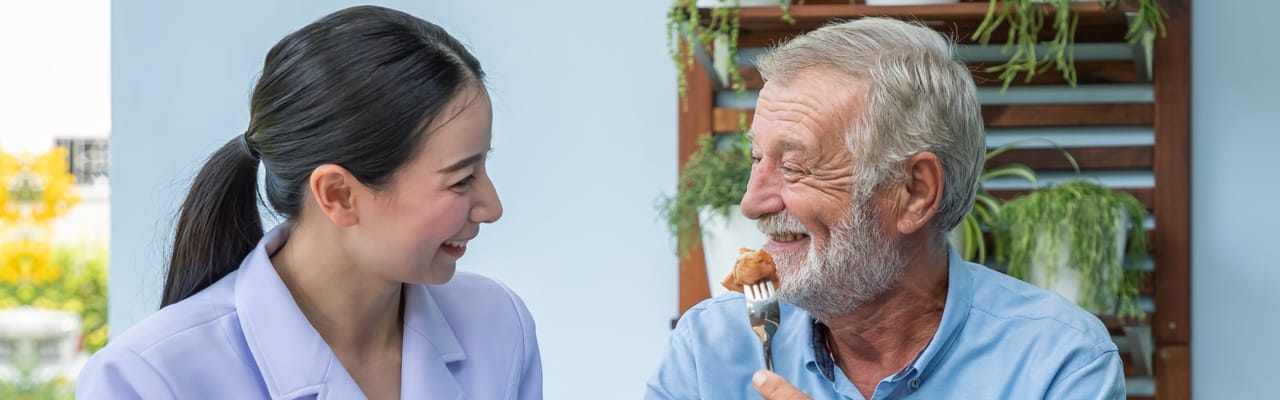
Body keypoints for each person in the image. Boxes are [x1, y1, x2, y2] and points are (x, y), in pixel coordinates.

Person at [76, 6, 541, 399]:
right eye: (461, 180)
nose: (491, 206)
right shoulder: (147, 379)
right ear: (338, 194)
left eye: (484, 168)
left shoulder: (499, 325)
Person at [646, 18, 1124, 400]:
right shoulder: (709, 350)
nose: (752, 202)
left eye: (794, 166)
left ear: (914, 193)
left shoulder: (1060, 363)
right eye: (756, 158)